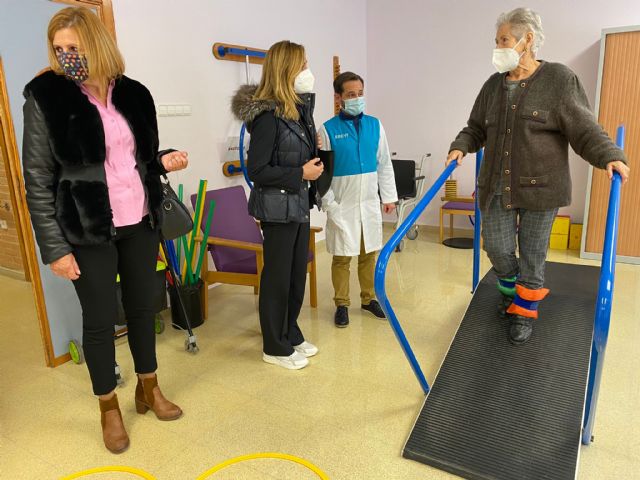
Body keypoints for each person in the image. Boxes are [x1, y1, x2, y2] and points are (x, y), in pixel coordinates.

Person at [22, 7, 188, 453]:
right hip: (88, 228)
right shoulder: (46, 97)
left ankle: (149, 388)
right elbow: (37, 178)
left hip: (140, 221)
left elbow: (139, 159)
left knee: (144, 308)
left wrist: (164, 158)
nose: (66, 56)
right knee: (99, 321)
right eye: (59, 49)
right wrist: (55, 248)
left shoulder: (135, 93)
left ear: (97, 44)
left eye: (74, 48)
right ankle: (108, 408)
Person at [446, 7, 630, 345]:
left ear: (527, 39)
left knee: (532, 255)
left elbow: (584, 128)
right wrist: (460, 146)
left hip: (542, 187)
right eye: (496, 40)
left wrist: (610, 155)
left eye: (504, 40)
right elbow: (475, 128)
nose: (498, 47)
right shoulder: (493, 86)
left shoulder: (559, 79)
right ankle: (512, 292)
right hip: (496, 185)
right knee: (497, 248)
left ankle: (524, 310)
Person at [231, 40, 322, 370]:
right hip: (276, 209)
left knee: (296, 275)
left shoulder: (297, 113)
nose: (307, 71)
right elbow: (257, 170)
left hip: (298, 204)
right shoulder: (268, 118)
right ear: (287, 70)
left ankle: (290, 333)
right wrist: (300, 173)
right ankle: (274, 345)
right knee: (278, 278)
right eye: (302, 64)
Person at [318, 72, 398, 328]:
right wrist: (330, 205)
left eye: (360, 93)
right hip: (342, 203)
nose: (357, 98)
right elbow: (321, 174)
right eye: (351, 94)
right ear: (338, 97)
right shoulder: (327, 129)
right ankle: (341, 304)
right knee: (342, 257)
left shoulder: (375, 125)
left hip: (368, 202)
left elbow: (384, 163)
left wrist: (388, 197)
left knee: (368, 253)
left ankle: (368, 299)